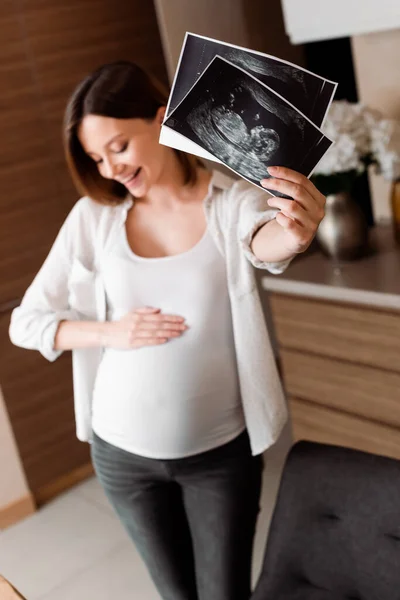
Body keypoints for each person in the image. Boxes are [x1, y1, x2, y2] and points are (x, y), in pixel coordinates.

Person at [9, 61, 325, 600]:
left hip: (219, 456)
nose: (110, 168)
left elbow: (265, 243)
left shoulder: (229, 203)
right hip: (121, 456)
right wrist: (113, 332)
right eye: (96, 158)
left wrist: (295, 235)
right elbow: (27, 323)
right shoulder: (94, 218)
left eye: (120, 147)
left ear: (160, 121)